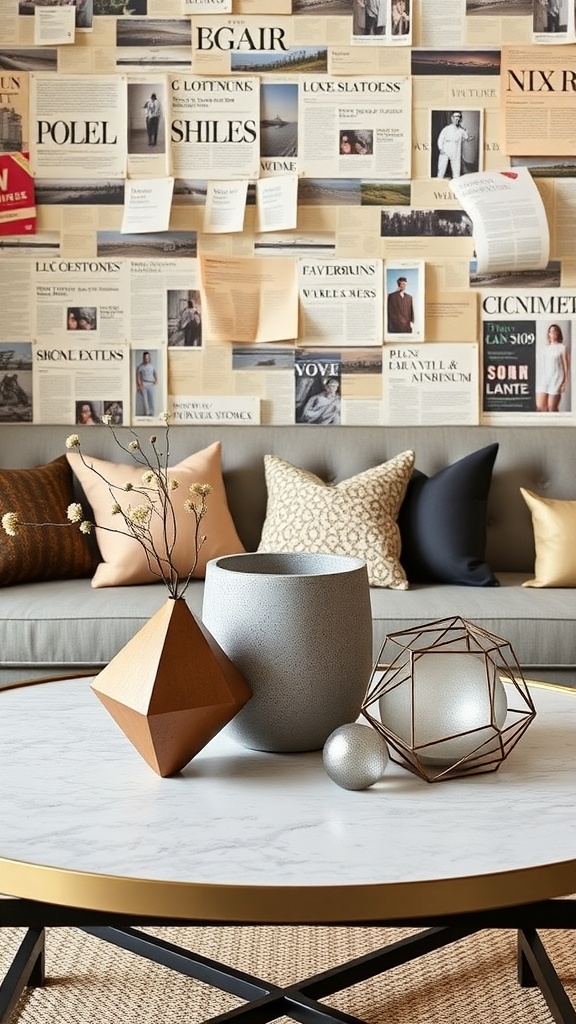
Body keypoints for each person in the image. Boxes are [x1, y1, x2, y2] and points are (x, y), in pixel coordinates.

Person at [536, 324, 570, 412]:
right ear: (548, 334)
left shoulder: (562, 348)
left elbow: (566, 366)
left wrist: (564, 383)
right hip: (545, 378)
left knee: (552, 408)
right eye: (551, 331)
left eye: (555, 331)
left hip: (556, 378)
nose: (553, 333)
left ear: (558, 333)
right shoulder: (545, 349)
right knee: (540, 406)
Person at [436, 111, 474, 179]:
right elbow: (440, 139)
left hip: (456, 152)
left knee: (456, 173)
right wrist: (440, 148)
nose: (457, 118)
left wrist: (471, 137)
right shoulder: (446, 129)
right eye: (455, 117)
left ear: (460, 119)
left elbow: (467, 138)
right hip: (445, 150)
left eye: (459, 117)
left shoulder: (461, 131)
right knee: (441, 171)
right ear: (452, 118)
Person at [136, 350, 157, 416]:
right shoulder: (140, 367)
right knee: (145, 400)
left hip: (151, 384)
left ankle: (152, 413)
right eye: (145, 358)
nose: (146, 359)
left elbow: (155, 373)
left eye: (147, 357)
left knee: (151, 399)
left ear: (149, 357)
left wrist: (156, 380)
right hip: (144, 384)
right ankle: (147, 413)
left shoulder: (152, 366)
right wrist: (139, 385)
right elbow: (138, 375)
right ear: (143, 358)